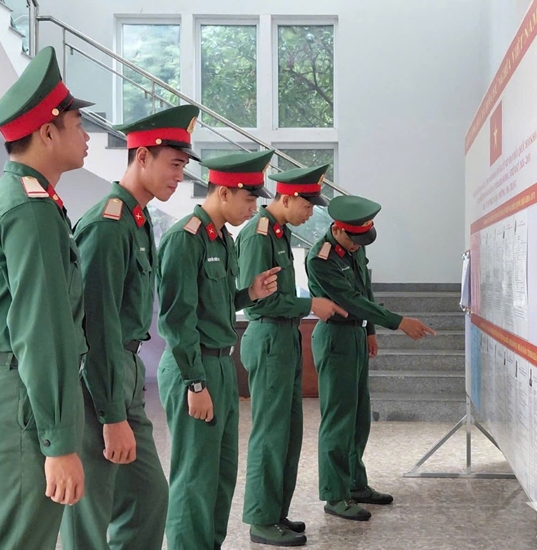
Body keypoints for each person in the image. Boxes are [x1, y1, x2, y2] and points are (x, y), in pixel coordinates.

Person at [0, 46, 91, 549]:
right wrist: (57, 441)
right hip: (21, 402)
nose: (86, 136)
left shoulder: (28, 198)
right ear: (48, 133)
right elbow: (42, 327)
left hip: (17, 392)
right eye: (77, 124)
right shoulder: (28, 208)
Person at [60, 104, 200, 550]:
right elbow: (96, 327)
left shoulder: (137, 221)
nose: (179, 176)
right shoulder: (108, 225)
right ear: (142, 157)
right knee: (91, 507)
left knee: (147, 496)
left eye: (182, 166)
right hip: (98, 377)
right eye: (173, 164)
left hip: (125, 371)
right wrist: (112, 415)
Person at [157, 149, 281, 549]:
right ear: (224, 193)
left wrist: (249, 293)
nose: (252, 209)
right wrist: (195, 383)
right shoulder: (185, 238)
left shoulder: (222, 237)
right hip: (194, 368)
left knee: (222, 474)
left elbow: (215, 302)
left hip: (222, 365)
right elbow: (177, 319)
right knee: (195, 476)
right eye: (248, 199)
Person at [235, 164, 347, 547]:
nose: (311, 213)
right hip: (269, 337)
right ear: (285, 198)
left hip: (285, 337)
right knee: (270, 434)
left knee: (289, 432)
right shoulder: (258, 234)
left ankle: (277, 512)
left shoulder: (279, 234)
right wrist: (310, 303)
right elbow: (258, 302)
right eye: (307, 205)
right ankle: (261, 519)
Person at [305, 195, 436, 522]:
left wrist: (370, 330)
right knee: (338, 420)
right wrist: (398, 322)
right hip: (335, 337)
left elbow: (365, 289)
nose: (357, 246)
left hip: (355, 335)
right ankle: (335, 495)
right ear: (337, 229)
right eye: (354, 240)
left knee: (359, 417)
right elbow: (351, 300)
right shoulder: (321, 259)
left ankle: (355, 484)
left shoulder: (354, 246)